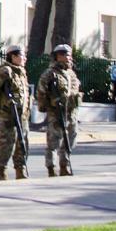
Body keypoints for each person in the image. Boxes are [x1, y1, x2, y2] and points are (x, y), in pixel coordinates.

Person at [35, 44, 80, 176]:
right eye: (66, 55)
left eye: (69, 55)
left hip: (71, 113)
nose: (69, 58)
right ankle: (51, 167)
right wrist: (46, 107)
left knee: (70, 138)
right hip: (56, 113)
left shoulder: (71, 73)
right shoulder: (50, 73)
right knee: (53, 141)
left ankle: (64, 165)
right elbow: (41, 91)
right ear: (58, 56)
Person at [0, 44, 30, 180]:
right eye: (23, 55)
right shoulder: (6, 71)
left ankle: (20, 169)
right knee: (7, 144)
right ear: (14, 56)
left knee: (22, 143)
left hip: (22, 115)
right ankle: (2, 170)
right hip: (7, 115)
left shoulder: (21, 72)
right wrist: (0, 107)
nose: (25, 58)